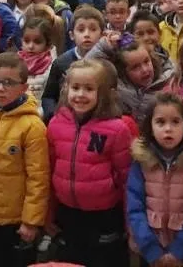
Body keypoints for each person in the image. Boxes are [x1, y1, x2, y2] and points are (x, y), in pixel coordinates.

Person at [46, 60, 134, 267]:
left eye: (88, 89)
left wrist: (129, 224)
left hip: (104, 217)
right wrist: (48, 214)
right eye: (75, 88)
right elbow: (49, 171)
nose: (80, 95)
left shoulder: (117, 129)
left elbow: (127, 179)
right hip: (67, 214)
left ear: (102, 93)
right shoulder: (56, 123)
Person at [0, 52, 50, 267]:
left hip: (15, 221)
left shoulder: (32, 126)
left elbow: (38, 178)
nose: (0, 88)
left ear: (24, 88)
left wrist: (31, 221)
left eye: (8, 83)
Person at [127, 92, 183, 266]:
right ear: (150, 126)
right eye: (160, 122)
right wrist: (151, 249)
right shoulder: (141, 162)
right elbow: (134, 208)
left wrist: (179, 250)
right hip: (151, 252)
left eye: (175, 122)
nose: (168, 128)